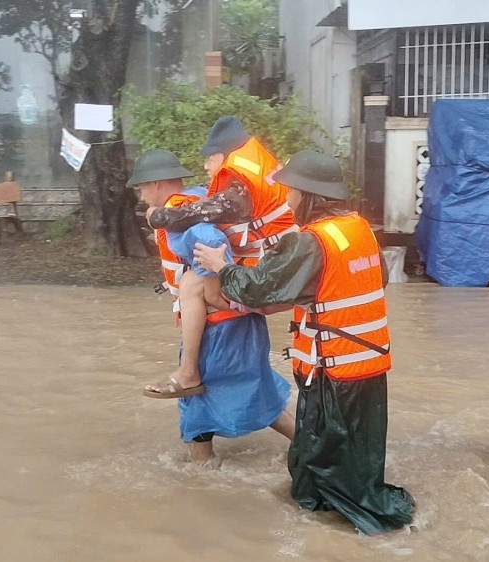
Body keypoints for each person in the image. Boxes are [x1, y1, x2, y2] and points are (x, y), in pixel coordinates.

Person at [193, 151, 415, 535]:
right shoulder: (358, 229)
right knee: (351, 455)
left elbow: (256, 287)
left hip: (332, 371)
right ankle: (326, 515)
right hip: (367, 364)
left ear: (309, 195)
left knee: (326, 462)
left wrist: (221, 267)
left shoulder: (310, 242)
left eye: (292, 192)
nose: (288, 201)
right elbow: (366, 281)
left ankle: (371, 528)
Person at [128, 149, 294, 464]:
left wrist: (213, 288)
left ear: (157, 184)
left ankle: (201, 472)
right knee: (254, 388)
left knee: (198, 396)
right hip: (233, 321)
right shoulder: (199, 198)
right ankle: (310, 448)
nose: (141, 195)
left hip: (220, 324)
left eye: (142, 187)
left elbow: (211, 241)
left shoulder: (178, 210)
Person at [143, 116, 295, 397]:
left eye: (209, 158)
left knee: (191, 284)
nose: (205, 166)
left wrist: (159, 217)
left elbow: (205, 216)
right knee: (259, 404)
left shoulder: (239, 185)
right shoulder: (254, 168)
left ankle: (188, 372)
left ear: (223, 155)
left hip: (268, 272)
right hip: (280, 263)